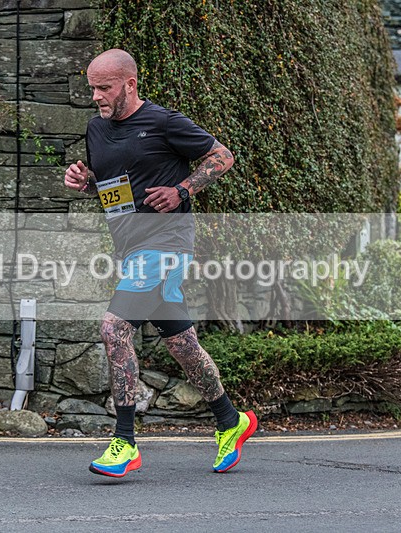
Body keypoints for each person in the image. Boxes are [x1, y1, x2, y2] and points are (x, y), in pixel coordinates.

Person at [63, 49, 256, 478]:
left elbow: (222, 156)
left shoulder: (165, 122)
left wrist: (182, 190)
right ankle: (231, 420)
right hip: (131, 248)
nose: (96, 96)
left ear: (129, 84)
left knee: (114, 327)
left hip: (166, 245)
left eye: (104, 87)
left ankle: (125, 441)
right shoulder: (97, 129)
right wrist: (84, 181)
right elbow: (113, 186)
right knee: (181, 344)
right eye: (92, 87)